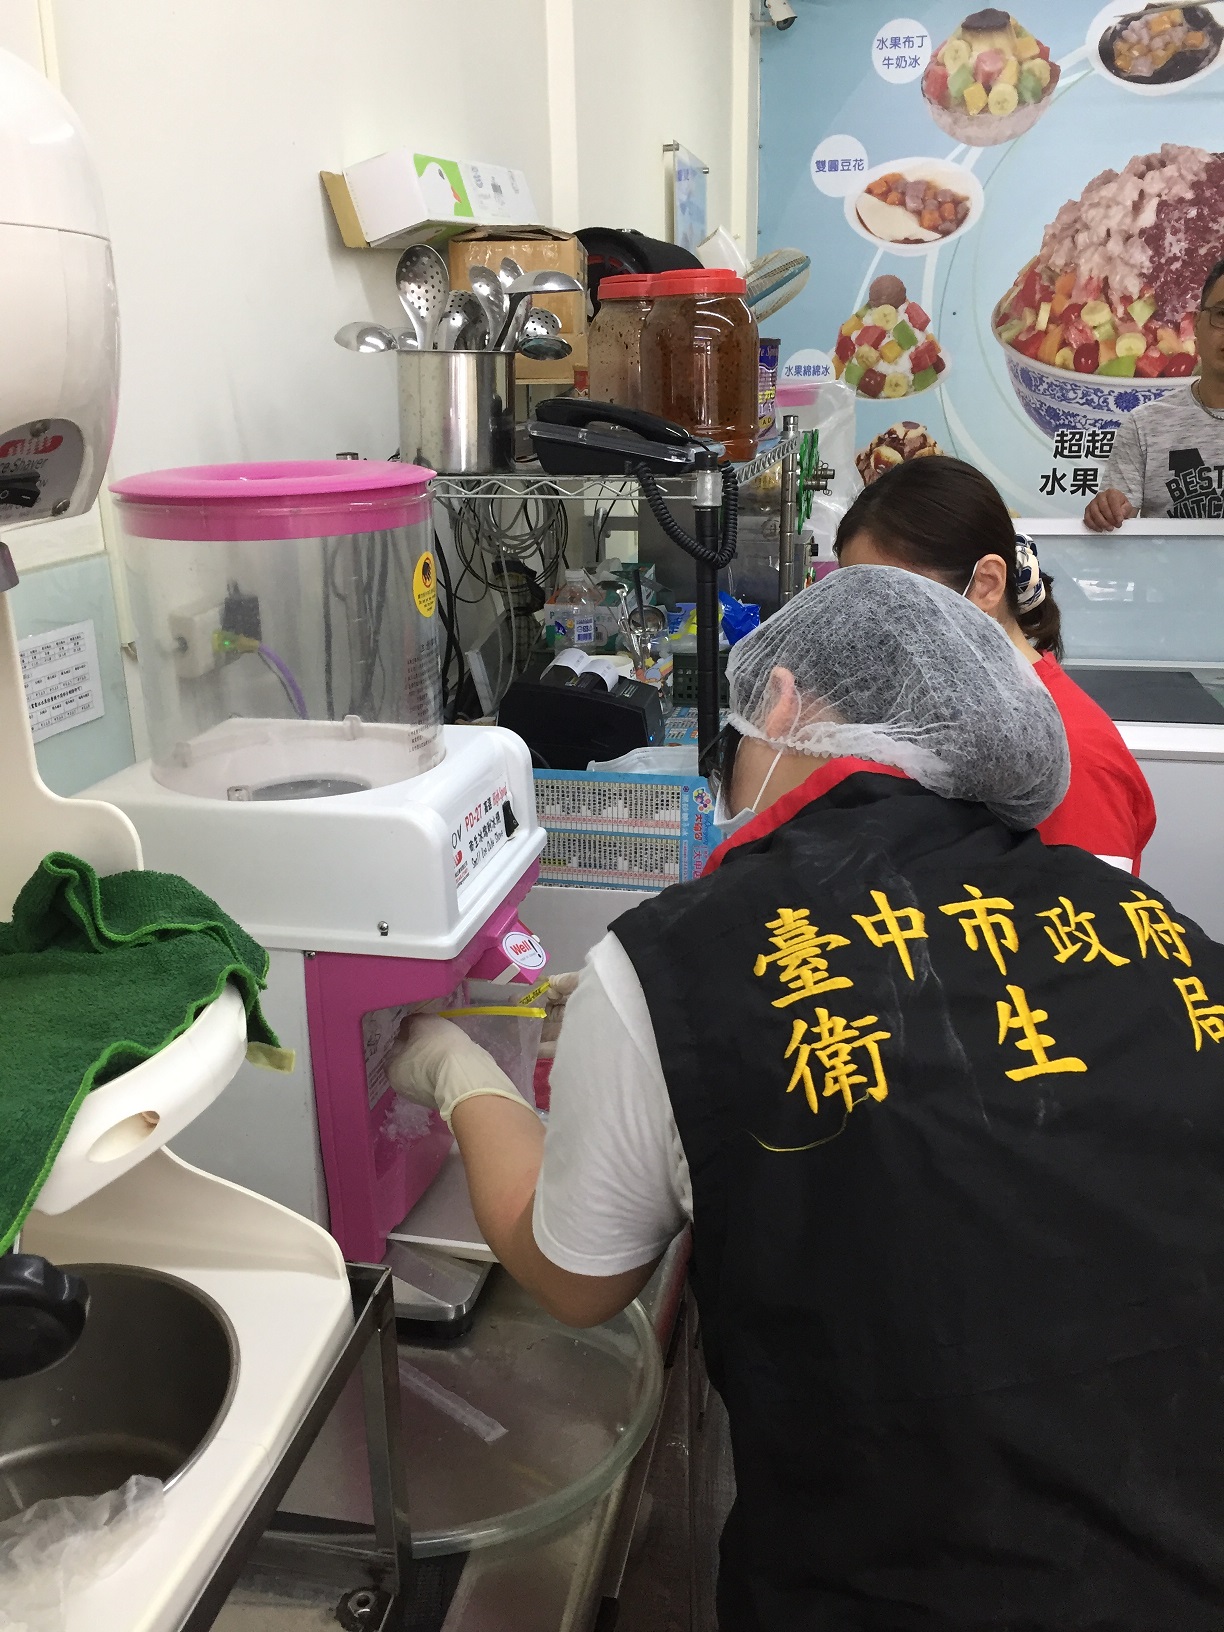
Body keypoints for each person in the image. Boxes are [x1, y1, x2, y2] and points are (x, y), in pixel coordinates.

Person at [390, 567, 1224, 1631]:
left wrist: (457, 1072)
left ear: (780, 702)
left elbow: (574, 1276)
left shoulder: (678, 960)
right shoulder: (1154, 927)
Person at [836, 456, 1155, 872]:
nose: (871, 628)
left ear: (986, 584)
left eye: (895, 601)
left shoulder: (1074, 757)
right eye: (854, 602)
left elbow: (1091, 910)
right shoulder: (937, 706)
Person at [1085, 255, 1224, 529]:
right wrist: (1107, 510)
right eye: (1222, 315)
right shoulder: (1145, 426)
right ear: (1197, 324)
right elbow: (1119, 515)